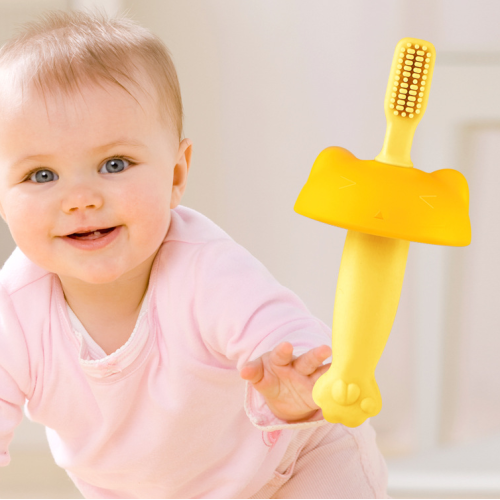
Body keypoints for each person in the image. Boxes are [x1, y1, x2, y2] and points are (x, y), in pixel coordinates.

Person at [0, 8, 388, 499]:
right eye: (41, 175)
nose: (81, 197)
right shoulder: (14, 308)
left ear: (177, 175)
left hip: (293, 463)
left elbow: (278, 329)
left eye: (114, 164)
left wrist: (298, 385)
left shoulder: (204, 268)